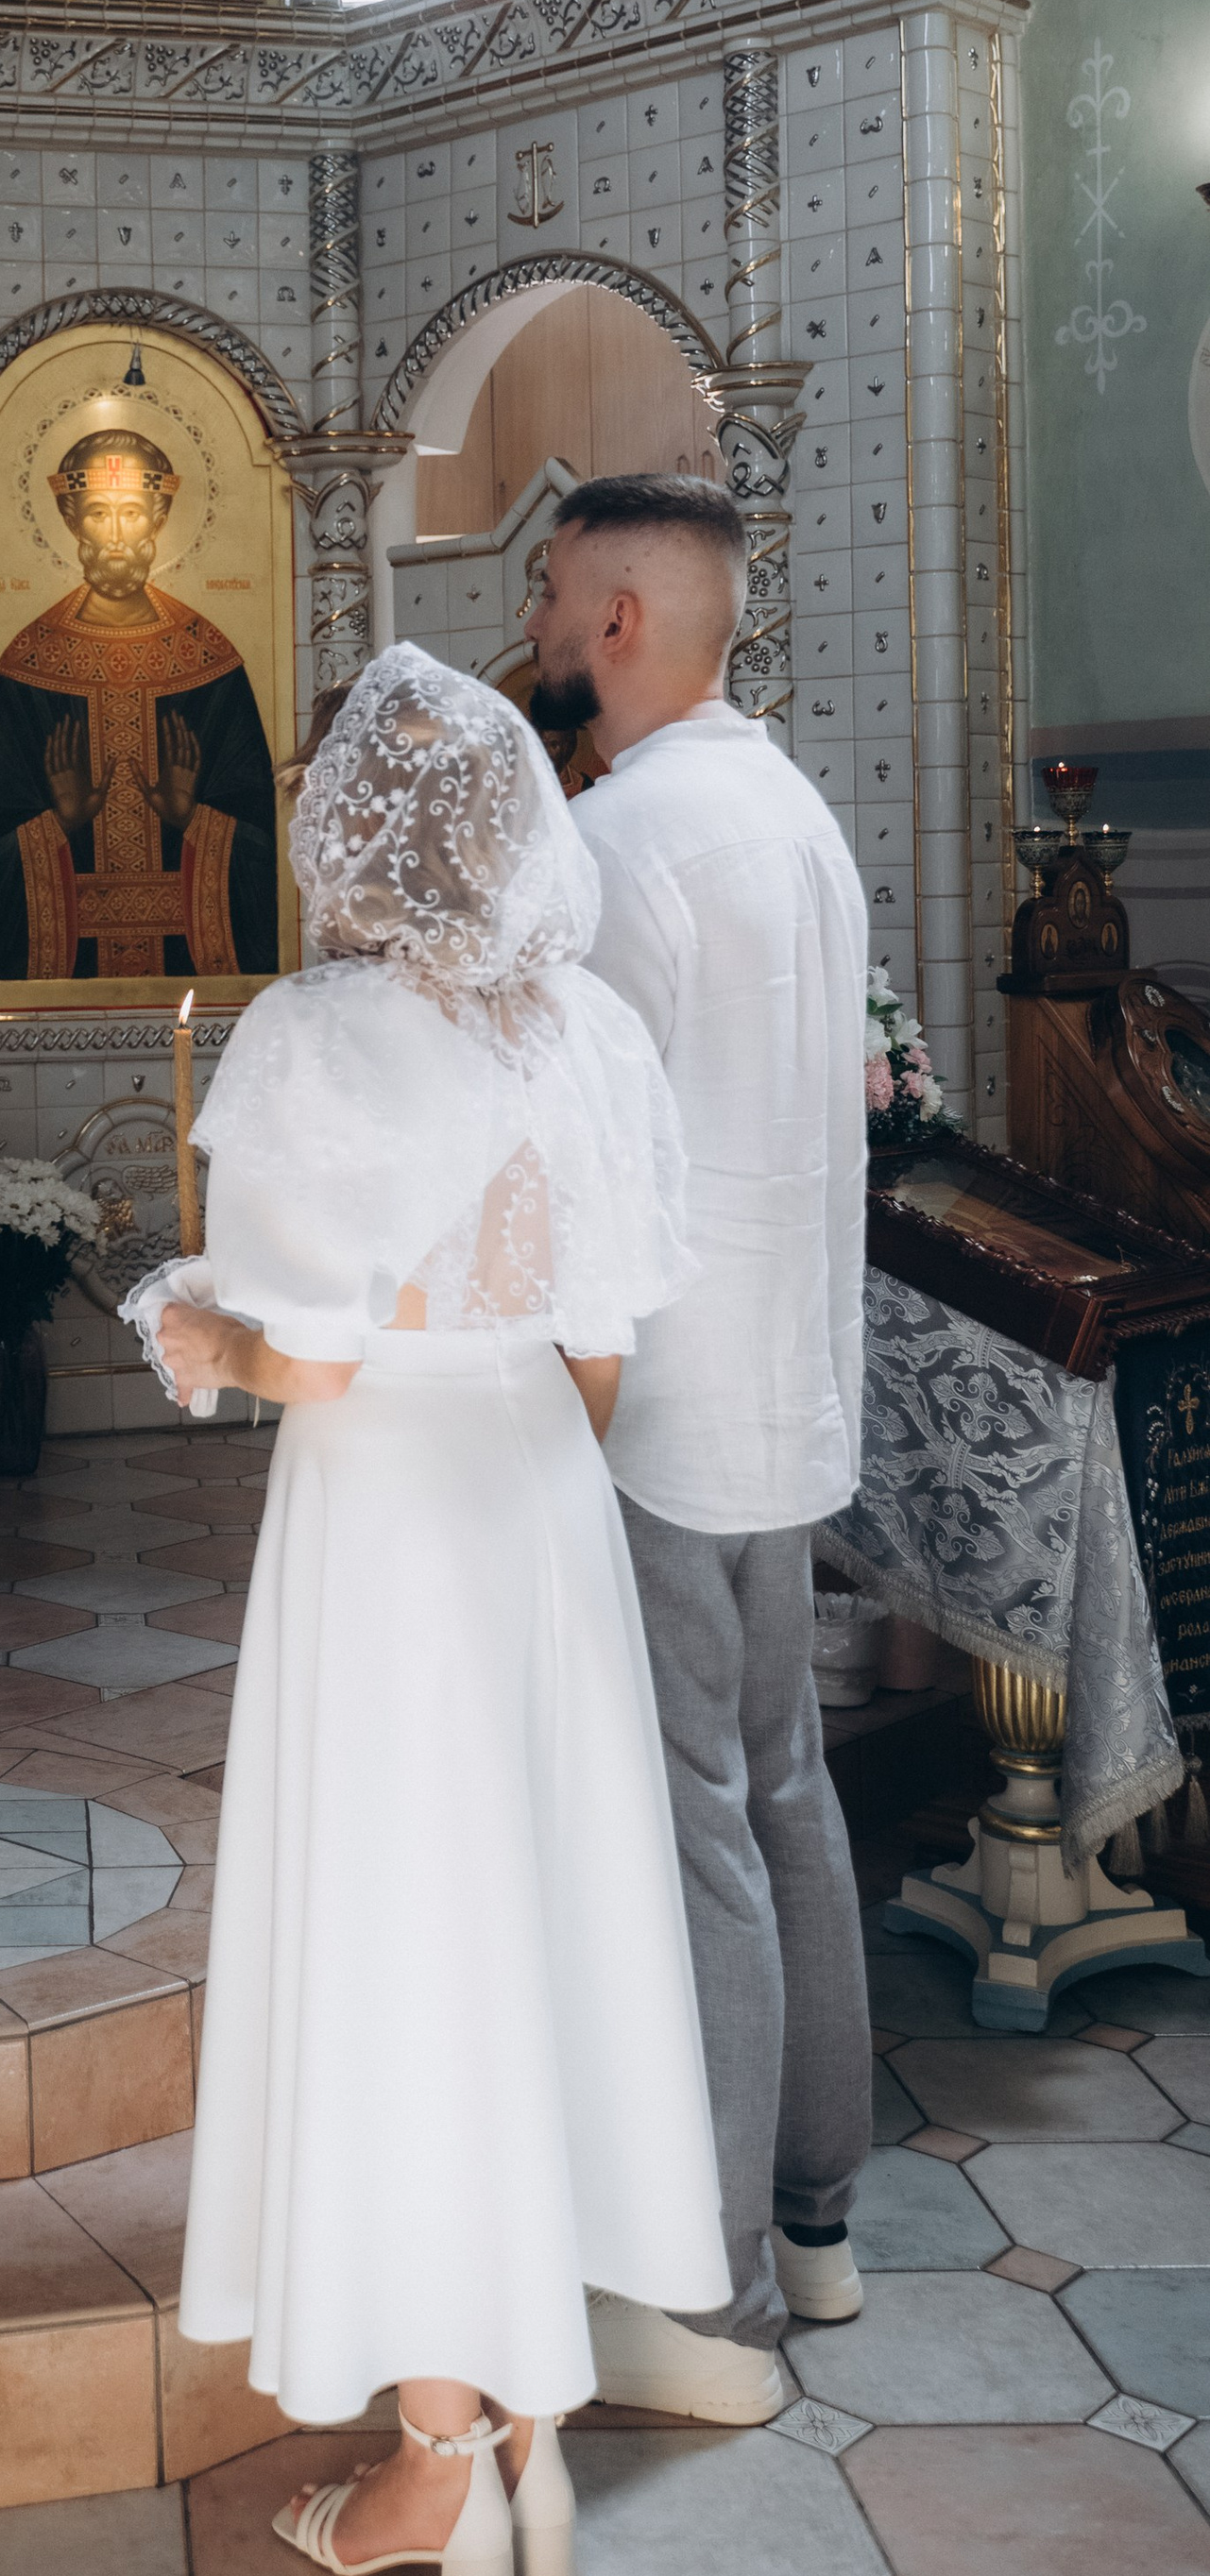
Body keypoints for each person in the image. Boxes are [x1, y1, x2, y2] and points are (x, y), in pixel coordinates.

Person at [132, 645, 725, 2576]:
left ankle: (436, 2457)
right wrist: (521, 1508)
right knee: (527, 1932)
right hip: (539, 1501)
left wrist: (183, 1327)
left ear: (348, 834)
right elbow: (596, 1344)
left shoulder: (312, 1035)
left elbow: (301, 1355)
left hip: (382, 1517)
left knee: (403, 1945)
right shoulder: (587, 1033)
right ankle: (524, 2448)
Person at [523, 471, 873, 2419]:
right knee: (784, 1799)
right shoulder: (791, 812)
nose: (546, 628)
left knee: (700, 1842)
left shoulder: (619, 840)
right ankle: (814, 2223)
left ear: (624, 621)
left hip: (658, 1406)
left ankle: (713, 2291)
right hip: (790, 1394)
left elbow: (570, 1153)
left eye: (560, 594)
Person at [0, 426, 279, 977]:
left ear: (160, 520)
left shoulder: (209, 658)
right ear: (71, 522)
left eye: (132, 512)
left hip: (190, 953)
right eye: (97, 513)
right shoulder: (29, 662)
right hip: (69, 957)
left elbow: (267, 838)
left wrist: (193, 821)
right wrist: (58, 825)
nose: (115, 535)